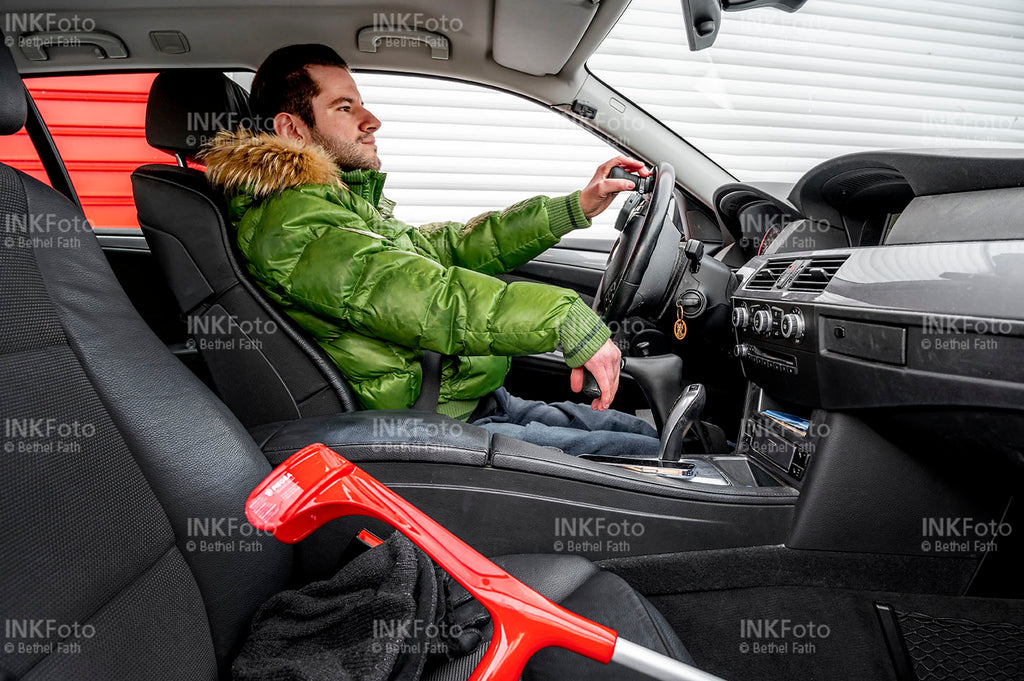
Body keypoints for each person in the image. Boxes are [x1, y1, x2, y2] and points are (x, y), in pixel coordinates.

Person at [203, 44, 660, 456]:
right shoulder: (294, 220)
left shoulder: (331, 203)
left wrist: (573, 208)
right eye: (345, 107)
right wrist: (561, 316)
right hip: (432, 425)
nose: (371, 120)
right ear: (293, 129)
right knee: (647, 458)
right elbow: (423, 298)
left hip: (464, 399)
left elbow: (442, 247)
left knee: (648, 436)